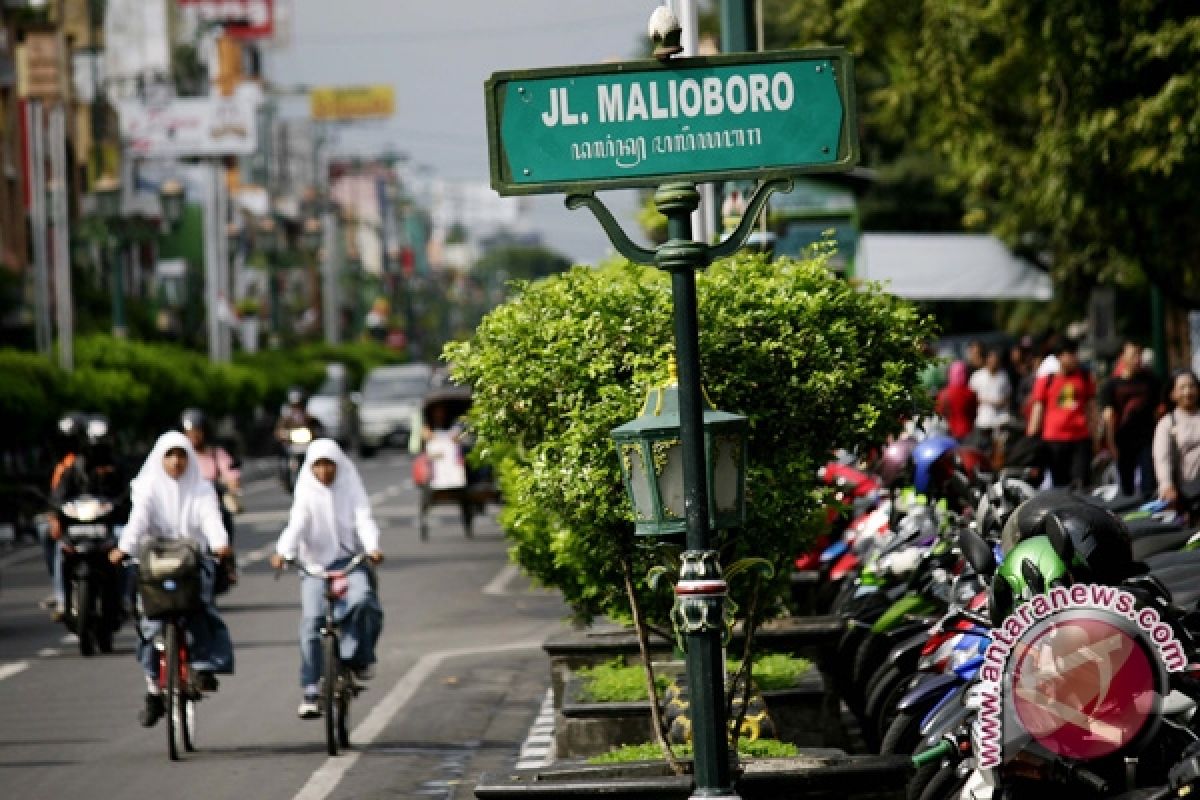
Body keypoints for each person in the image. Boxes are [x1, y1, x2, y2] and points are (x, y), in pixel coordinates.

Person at [109, 432, 235, 727]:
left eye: (181, 455)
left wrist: (219, 543)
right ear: (159, 458)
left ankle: (204, 667)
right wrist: (124, 549)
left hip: (192, 561)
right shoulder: (148, 487)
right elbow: (137, 520)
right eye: (170, 455)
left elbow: (211, 520)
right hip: (154, 563)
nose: (176, 461)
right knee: (149, 626)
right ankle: (154, 689)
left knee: (203, 610)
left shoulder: (201, 488)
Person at [269, 439, 384, 719]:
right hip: (315, 566)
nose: (323, 471)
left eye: (328, 464)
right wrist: (283, 552)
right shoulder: (306, 492)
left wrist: (372, 547)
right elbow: (297, 523)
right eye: (317, 465)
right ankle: (311, 687)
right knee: (312, 621)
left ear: (338, 465)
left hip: (350, 561)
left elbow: (363, 517)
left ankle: (357, 657)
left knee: (364, 600)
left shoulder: (350, 485)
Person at [1026, 339, 1096, 488]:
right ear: (1059, 357)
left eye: (1075, 353)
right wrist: (1032, 439)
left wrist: (1095, 435)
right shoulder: (1046, 380)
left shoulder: (1084, 377)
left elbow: (1091, 408)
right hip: (1053, 441)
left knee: (1081, 482)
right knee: (1061, 485)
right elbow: (1037, 411)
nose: (1074, 358)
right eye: (1070, 354)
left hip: (1080, 438)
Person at [1098, 342, 1161, 498]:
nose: (1137, 359)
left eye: (1139, 354)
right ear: (1122, 357)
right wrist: (1111, 445)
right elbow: (1109, 417)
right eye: (1133, 355)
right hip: (1123, 440)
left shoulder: (1151, 381)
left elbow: (1159, 411)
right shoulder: (1111, 385)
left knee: (1148, 482)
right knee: (1126, 484)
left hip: (1147, 439)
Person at [1153, 369, 1200, 517]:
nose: (1188, 392)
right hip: (1187, 494)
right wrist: (1166, 485)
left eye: (1191, 386)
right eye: (1182, 388)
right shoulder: (1167, 424)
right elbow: (1162, 459)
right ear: (1172, 394)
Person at [969, 347, 1013, 453]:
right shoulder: (977, 376)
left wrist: (1000, 402)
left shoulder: (1004, 376)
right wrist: (989, 402)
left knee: (999, 451)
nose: (994, 361)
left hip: (1000, 421)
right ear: (987, 359)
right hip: (983, 421)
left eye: (996, 359)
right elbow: (971, 398)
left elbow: (1008, 397)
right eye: (991, 358)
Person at [935, 360, 978, 441]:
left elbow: (939, 412)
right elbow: (974, 413)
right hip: (968, 431)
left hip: (949, 432)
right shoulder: (970, 393)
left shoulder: (943, 393)